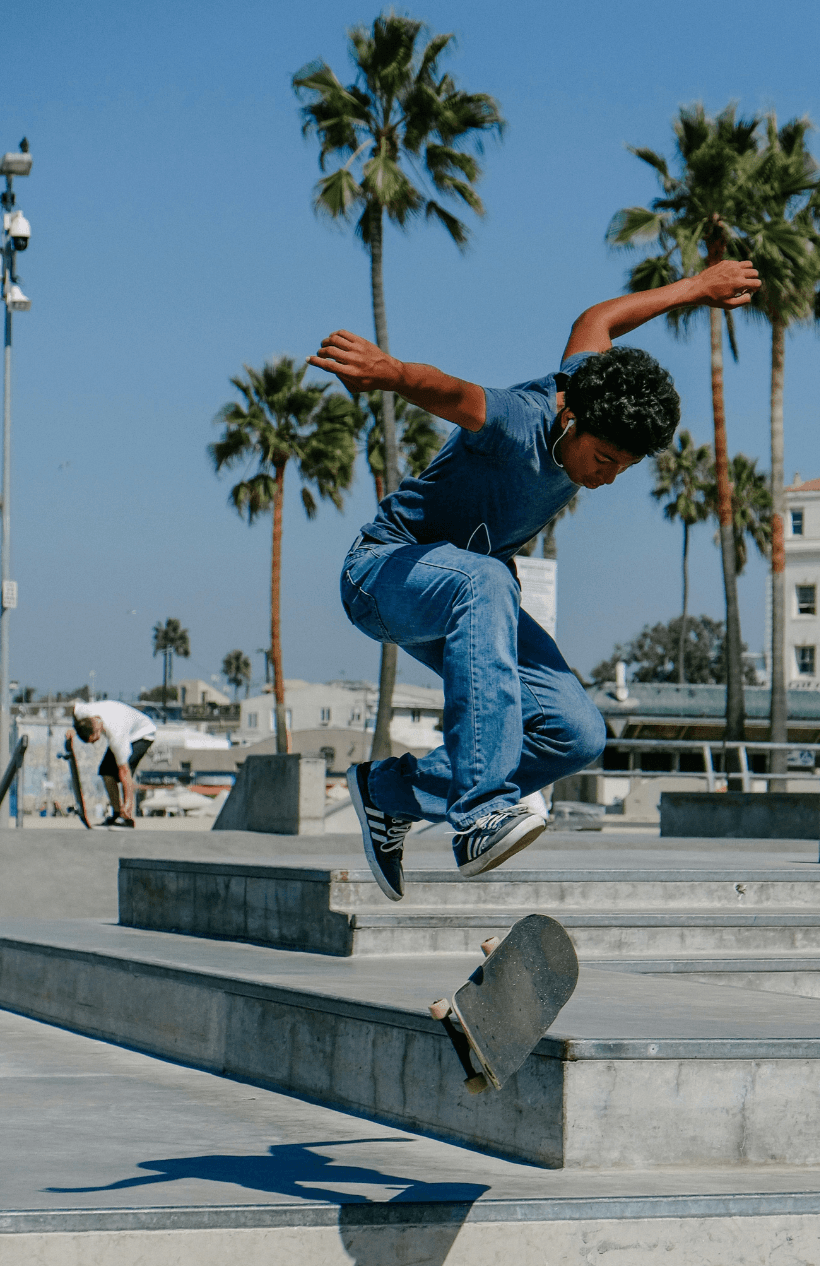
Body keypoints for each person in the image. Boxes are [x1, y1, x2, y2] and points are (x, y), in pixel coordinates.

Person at [310, 259, 760, 900]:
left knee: (576, 732)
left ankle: (389, 792)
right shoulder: (520, 420)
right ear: (572, 421)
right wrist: (391, 373)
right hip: (384, 574)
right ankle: (479, 813)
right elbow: (453, 393)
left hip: (466, 599)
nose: (605, 478)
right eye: (603, 458)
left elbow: (597, 320)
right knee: (490, 579)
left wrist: (698, 287)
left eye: (622, 470)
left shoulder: (587, 381)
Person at [70, 699, 157, 827]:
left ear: (96, 730)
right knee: (106, 771)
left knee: (122, 773)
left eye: (94, 740)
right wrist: (73, 729)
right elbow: (74, 708)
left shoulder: (116, 733)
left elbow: (125, 771)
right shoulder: (83, 713)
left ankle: (127, 816)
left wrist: (128, 802)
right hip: (124, 724)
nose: (94, 743)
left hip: (142, 734)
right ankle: (116, 813)